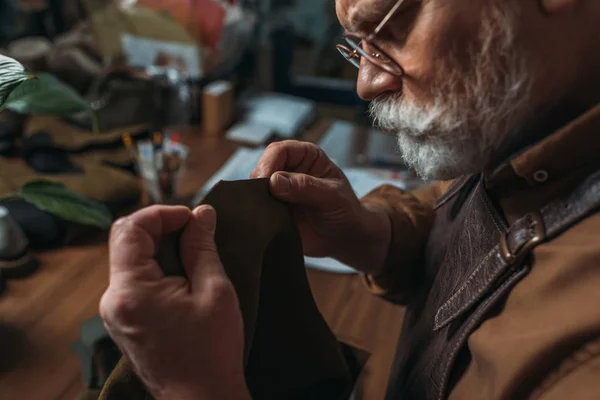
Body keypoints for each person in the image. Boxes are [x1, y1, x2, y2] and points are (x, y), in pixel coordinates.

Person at [100, 0, 600, 398]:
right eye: (359, 46)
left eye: (391, 30)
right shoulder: (538, 115)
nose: (367, 82)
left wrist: (194, 387)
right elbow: (476, 201)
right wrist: (378, 234)